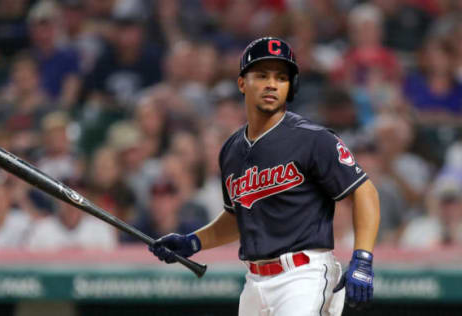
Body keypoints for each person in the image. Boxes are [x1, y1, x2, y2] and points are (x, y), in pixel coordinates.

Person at [149, 37, 380, 315]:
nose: (272, 84)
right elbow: (238, 216)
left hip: (303, 277)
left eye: (281, 77)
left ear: (290, 87)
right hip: (254, 282)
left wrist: (363, 258)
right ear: (242, 83)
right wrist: (193, 241)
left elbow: (364, 191)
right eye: (262, 75)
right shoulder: (231, 150)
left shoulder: (313, 139)